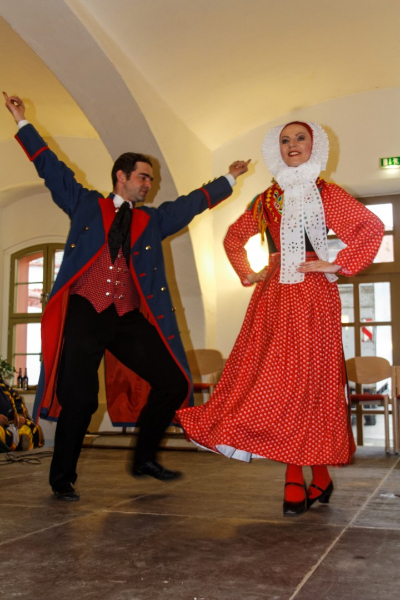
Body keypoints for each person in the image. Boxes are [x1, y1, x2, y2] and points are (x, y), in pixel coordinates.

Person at [4, 91, 250, 501]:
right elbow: (51, 167)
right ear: (121, 176)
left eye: (150, 179)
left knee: (173, 382)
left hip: (125, 315)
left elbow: (189, 205)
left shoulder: (151, 221)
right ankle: (62, 478)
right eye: (143, 177)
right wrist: (22, 121)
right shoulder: (86, 204)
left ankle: (143, 458)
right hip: (85, 309)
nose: (149, 184)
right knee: (81, 400)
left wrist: (228, 180)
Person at [177, 121, 384, 516]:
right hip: (274, 296)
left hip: (313, 295)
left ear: (313, 145)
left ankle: (299, 475)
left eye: (300, 138)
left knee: (311, 382)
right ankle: (315, 475)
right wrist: (249, 273)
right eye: (285, 140)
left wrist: (336, 264)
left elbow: (370, 227)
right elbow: (232, 238)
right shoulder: (267, 199)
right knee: (276, 381)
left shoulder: (326, 193)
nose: (292, 145)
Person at [0, 375, 44, 451]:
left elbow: (16, 398)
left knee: (31, 428)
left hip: (10, 422)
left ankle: (23, 452)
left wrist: (20, 415)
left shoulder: (2, 385)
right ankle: (16, 449)